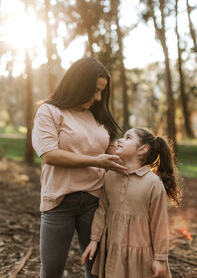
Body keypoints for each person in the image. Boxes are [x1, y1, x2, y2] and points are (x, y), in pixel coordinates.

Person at [32, 57, 128, 278]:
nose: (98, 97)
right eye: (94, 90)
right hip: (59, 201)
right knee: (52, 271)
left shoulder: (98, 115)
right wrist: (96, 161)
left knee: (96, 271)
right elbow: (50, 155)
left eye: (101, 92)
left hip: (95, 202)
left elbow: (113, 150)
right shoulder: (49, 111)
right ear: (78, 85)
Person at [82, 127, 182, 278]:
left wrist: (160, 259)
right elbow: (102, 209)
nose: (120, 140)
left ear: (142, 149)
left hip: (141, 255)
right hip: (114, 249)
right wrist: (94, 240)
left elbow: (159, 223)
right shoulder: (110, 176)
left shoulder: (153, 183)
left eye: (128, 138)